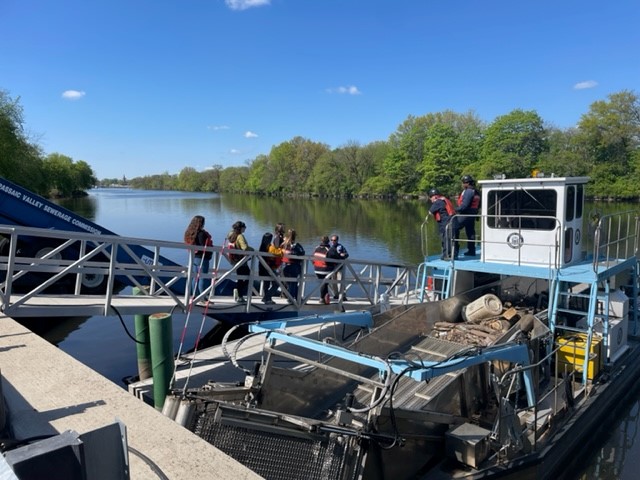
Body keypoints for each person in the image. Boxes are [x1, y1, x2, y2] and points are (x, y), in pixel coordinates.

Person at [183, 215, 213, 298]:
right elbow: (203, 246)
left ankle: (194, 295)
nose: (204, 224)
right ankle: (202, 297)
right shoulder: (201, 234)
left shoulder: (190, 233)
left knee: (195, 277)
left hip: (194, 257)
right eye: (203, 222)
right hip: (202, 258)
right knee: (202, 277)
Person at [453, 175, 481, 257]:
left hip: (466, 214)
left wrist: (455, 210)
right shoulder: (476, 191)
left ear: (467, 183)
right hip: (473, 214)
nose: (462, 184)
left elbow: (464, 205)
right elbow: (479, 205)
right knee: (470, 232)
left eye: (463, 183)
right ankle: (471, 251)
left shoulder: (468, 191)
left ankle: (455, 252)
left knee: (454, 227)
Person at [227, 220, 254, 303]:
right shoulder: (240, 236)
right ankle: (239, 295)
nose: (245, 228)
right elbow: (244, 247)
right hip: (242, 261)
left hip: (235, 260)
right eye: (244, 227)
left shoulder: (231, 235)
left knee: (240, 278)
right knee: (249, 278)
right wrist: (252, 250)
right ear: (241, 228)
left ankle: (239, 294)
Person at [428, 188, 456, 259]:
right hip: (451, 221)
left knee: (446, 239)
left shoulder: (437, 202)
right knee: (450, 239)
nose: (430, 199)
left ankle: (446, 255)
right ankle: (452, 254)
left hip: (445, 223)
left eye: (430, 197)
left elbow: (430, 212)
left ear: (434, 196)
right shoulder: (444, 200)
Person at [281, 229, 305, 302]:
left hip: (284, 265)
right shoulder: (296, 245)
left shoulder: (283, 244)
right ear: (295, 236)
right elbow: (302, 252)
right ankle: (291, 298)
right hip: (293, 265)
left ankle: (295, 297)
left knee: (289, 282)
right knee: (293, 282)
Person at [258, 232, 282, 304]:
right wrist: (281, 250)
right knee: (277, 283)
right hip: (268, 269)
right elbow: (278, 253)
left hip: (262, 268)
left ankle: (267, 298)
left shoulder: (262, 247)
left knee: (266, 283)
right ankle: (267, 297)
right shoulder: (269, 247)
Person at [312, 235, 333, 304]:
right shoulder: (329, 249)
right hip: (325, 270)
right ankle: (321, 298)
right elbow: (334, 258)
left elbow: (312, 259)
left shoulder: (316, 248)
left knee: (324, 283)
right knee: (324, 283)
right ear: (328, 241)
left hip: (316, 269)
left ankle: (325, 299)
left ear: (321, 241)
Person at [327, 234, 349, 301]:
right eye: (332, 240)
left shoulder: (341, 247)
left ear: (337, 240)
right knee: (333, 282)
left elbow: (347, 254)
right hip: (333, 268)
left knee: (340, 282)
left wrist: (343, 255)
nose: (333, 241)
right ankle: (336, 295)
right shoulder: (329, 247)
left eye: (334, 240)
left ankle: (343, 296)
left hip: (340, 267)